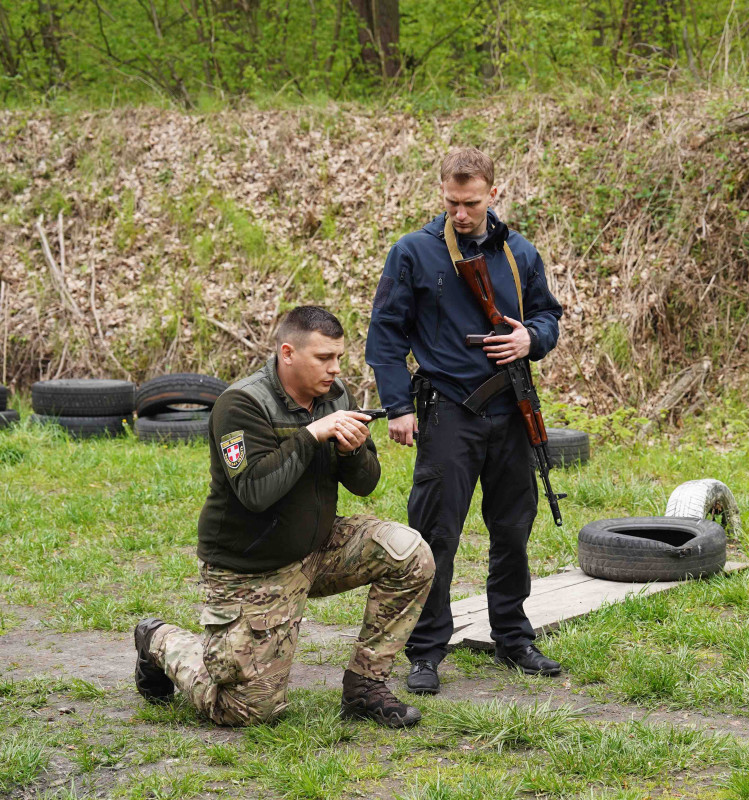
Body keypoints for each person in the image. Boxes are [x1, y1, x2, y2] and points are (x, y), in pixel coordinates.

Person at [132, 305, 435, 728]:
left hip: (316, 549)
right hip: (251, 570)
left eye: (338, 358)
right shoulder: (240, 404)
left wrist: (351, 452)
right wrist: (312, 434)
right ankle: (160, 640)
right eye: (323, 358)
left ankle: (365, 687)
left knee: (411, 553)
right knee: (248, 712)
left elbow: (366, 484)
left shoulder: (335, 395)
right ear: (287, 353)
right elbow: (256, 492)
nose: (334, 370)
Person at [365, 148, 564, 696]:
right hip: (448, 409)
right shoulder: (414, 252)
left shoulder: (519, 252)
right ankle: (426, 651)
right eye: (451, 202)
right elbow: (385, 335)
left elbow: (549, 315)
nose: (460, 213)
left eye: (471, 202)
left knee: (512, 530)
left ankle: (514, 637)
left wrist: (531, 337)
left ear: (493, 193)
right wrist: (399, 405)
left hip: (512, 410)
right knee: (435, 536)